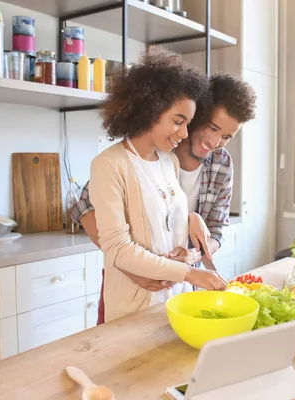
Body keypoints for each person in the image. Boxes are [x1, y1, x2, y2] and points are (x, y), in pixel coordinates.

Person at [73, 72, 257, 323]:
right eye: (212, 127)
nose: (215, 141)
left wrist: (191, 257)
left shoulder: (216, 163)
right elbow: (86, 207)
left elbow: (214, 230)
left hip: (179, 284)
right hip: (132, 282)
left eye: (226, 136)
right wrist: (130, 266)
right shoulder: (134, 155)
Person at [88, 47, 227, 322]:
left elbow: (165, 227)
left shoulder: (169, 162)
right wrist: (190, 272)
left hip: (178, 303)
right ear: (150, 109)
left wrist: (186, 249)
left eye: (188, 123)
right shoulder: (109, 165)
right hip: (134, 309)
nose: (185, 133)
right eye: (178, 121)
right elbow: (118, 248)